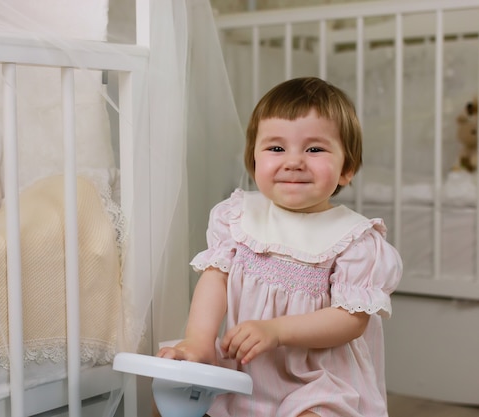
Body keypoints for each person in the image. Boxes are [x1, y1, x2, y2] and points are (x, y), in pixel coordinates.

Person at [157, 77, 402, 417]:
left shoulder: (355, 239)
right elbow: (215, 279)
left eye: (314, 149)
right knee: (171, 403)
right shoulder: (238, 217)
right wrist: (199, 341)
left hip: (318, 378)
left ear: (346, 167)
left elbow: (351, 320)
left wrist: (276, 330)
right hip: (244, 365)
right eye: (276, 148)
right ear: (254, 160)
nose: (294, 161)